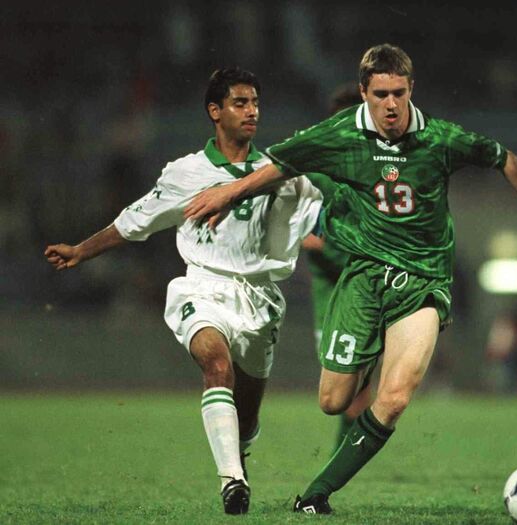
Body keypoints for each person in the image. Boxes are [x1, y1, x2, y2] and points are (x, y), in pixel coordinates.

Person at [184, 43, 517, 514]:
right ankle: (373, 346)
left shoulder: (440, 138)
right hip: (363, 279)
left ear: (411, 90)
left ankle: (316, 495)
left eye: (398, 93)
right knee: (332, 400)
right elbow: (280, 165)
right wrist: (229, 193)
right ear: (364, 92)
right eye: (380, 93)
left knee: (395, 397)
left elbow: (506, 159)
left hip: (423, 280)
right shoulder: (341, 133)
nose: (390, 104)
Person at [44, 68, 322, 515]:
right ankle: (232, 481)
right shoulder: (186, 172)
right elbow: (136, 220)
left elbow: (320, 209)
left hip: (260, 297)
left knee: (247, 416)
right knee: (215, 364)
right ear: (215, 111)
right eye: (239, 103)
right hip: (202, 285)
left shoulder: (278, 171)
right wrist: (82, 250)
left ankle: (239, 456)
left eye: (255, 102)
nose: (252, 111)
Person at [300, 84, 373, 453]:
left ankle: (342, 461)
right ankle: (347, 454)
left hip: (374, 286)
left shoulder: (380, 170)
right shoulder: (316, 175)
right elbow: (307, 237)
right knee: (340, 393)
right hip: (332, 293)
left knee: (365, 387)